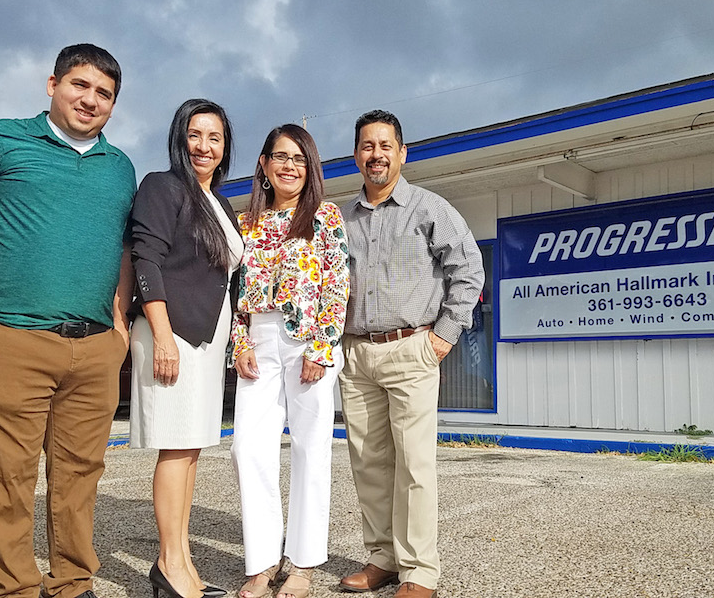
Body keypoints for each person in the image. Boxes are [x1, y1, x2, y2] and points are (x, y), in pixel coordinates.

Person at [0, 44, 135, 598]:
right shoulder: (0, 138)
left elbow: (123, 248)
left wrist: (118, 323)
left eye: (104, 94)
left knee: (79, 476)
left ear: (113, 105)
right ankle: (15, 587)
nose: (90, 100)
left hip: (94, 347)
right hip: (12, 338)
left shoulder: (120, 167)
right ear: (52, 84)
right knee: (7, 476)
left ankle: (73, 582)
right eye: (80, 85)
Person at [337, 110, 484, 598]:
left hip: (411, 350)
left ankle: (420, 571)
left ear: (402, 153)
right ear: (356, 154)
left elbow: (469, 271)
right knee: (368, 463)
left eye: (385, 145)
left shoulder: (429, 209)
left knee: (415, 465)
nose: (375, 154)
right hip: (357, 356)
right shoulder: (340, 219)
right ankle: (382, 557)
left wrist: (443, 336)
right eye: (366, 146)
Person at [129, 99, 243, 598]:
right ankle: (171, 566)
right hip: (172, 333)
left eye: (214, 138)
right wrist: (161, 336)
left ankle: (180, 564)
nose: (204, 146)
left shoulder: (217, 200)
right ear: (180, 138)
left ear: (225, 148)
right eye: (195, 135)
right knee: (176, 448)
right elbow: (145, 258)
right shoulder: (163, 186)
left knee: (190, 449)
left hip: (207, 338)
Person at [229, 124, 349, 598]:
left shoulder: (325, 216)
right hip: (258, 339)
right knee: (248, 448)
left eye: (299, 159)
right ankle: (261, 562)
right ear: (263, 164)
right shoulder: (246, 224)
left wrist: (322, 347)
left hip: (307, 343)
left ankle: (302, 564)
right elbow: (234, 292)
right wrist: (239, 342)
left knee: (309, 448)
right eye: (280, 157)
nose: (289, 166)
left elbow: (337, 284)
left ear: (310, 167)